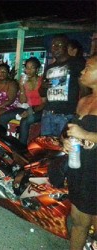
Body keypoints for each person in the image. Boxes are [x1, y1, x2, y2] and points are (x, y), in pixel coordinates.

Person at [62, 55, 97, 250]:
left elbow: (85, 132)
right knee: (78, 221)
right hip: (80, 169)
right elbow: (72, 129)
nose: (82, 72)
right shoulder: (83, 101)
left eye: (88, 68)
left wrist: (87, 134)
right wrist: (66, 141)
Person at [39, 34, 86, 137]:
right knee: (46, 148)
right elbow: (42, 93)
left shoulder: (77, 63)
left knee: (63, 148)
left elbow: (84, 90)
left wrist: (79, 112)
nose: (55, 48)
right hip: (48, 113)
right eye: (53, 45)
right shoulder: (49, 67)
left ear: (66, 46)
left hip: (66, 114)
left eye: (59, 44)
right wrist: (43, 86)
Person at [0, 57, 45, 145]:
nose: (29, 70)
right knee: (3, 117)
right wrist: (21, 86)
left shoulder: (42, 81)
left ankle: (21, 149)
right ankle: (3, 144)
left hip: (40, 109)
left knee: (25, 121)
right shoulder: (25, 81)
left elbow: (44, 103)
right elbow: (22, 101)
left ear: (37, 69)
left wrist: (30, 111)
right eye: (27, 67)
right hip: (28, 108)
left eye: (32, 67)